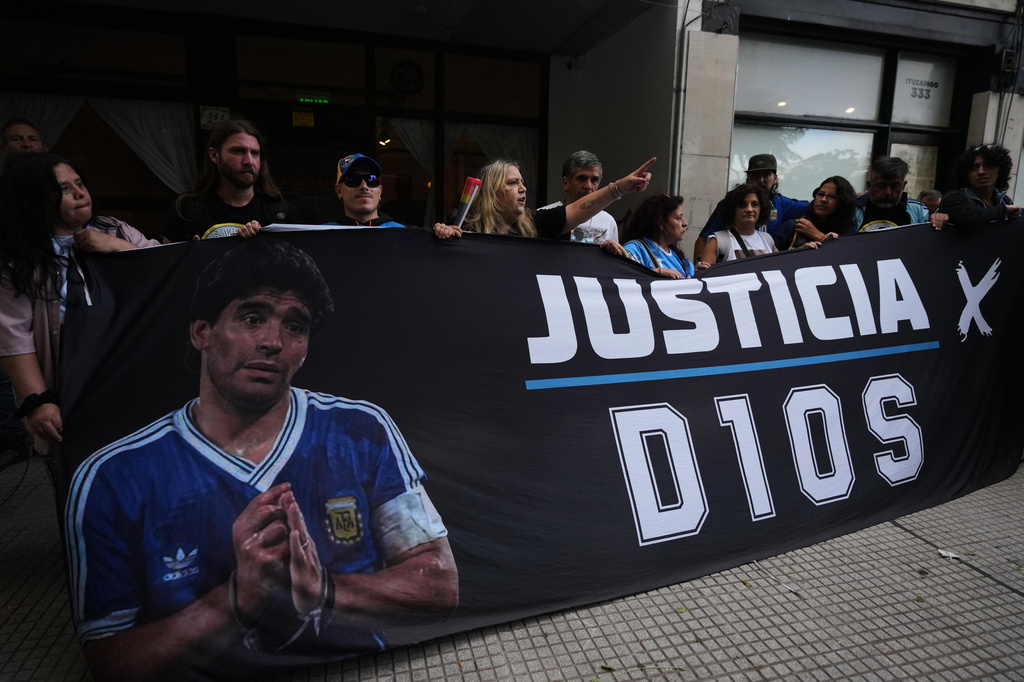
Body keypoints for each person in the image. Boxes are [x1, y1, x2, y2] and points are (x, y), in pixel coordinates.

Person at [65, 237, 459, 680]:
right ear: (202, 332)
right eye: (252, 318)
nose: (273, 341)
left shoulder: (361, 430)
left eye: (295, 326)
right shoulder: (113, 476)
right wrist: (234, 602)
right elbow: (109, 662)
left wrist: (324, 592)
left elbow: (439, 583)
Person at [0, 154, 159, 455]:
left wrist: (118, 248)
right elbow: (12, 336)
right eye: (63, 189)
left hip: (129, 376)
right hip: (70, 388)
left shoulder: (116, 230)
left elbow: (166, 270)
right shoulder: (19, 258)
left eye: (79, 183)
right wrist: (39, 400)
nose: (79, 193)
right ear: (35, 199)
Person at [432, 157, 654, 240]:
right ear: (492, 192)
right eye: (513, 183)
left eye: (522, 182)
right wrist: (444, 236)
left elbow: (577, 209)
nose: (523, 188)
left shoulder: (535, 224)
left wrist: (620, 189)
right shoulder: (468, 230)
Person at [162, 119, 296, 242]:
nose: (249, 161)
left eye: (255, 153)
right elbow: (167, 264)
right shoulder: (187, 209)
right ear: (214, 155)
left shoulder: (280, 214)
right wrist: (188, 255)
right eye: (238, 151)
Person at [692, 154, 807, 261]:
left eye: (766, 175)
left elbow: (780, 264)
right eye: (756, 176)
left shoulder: (769, 237)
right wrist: (697, 270)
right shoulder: (719, 239)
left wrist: (804, 250)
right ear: (748, 178)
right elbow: (703, 240)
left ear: (775, 178)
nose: (761, 180)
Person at [541, 150, 619, 244]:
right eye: (582, 179)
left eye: (594, 180)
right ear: (566, 183)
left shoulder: (608, 222)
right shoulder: (544, 217)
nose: (589, 186)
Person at [938, 143, 1022, 230]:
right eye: (974, 168)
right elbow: (969, 218)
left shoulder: (1005, 200)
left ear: (1000, 171)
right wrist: (1002, 210)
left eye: (988, 166)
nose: (981, 172)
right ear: (966, 175)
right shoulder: (955, 197)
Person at [854, 156, 946, 231]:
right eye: (881, 186)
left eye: (895, 186)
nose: (888, 192)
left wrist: (940, 220)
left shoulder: (918, 211)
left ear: (903, 186)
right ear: (869, 186)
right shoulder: (852, 209)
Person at [698, 183, 778, 267]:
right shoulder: (718, 241)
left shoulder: (767, 239)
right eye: (743, 205)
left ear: (762, 209)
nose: (749, 209)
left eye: (754, 204)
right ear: (732, 210)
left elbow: (781, 267)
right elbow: (706, 277)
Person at [619, 194, 694, 279]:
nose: (685, 223)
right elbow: (620, 275)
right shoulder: (636, 249)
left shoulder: (682, 261)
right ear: (661, 223)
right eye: (679, 218)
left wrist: (701, 273)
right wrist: (658, 272)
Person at [773, 175, 857, 250]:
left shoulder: (849, 228)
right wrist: (798, 252)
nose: (823, 200)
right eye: (821, 194)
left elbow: (849, 255)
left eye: (832, 196)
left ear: (843, 202)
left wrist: (819, 236)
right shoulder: (794, 226)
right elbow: (770, 258)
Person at [327, 154, 404, 227]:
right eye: (353, 179)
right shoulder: (323, 234)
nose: (364, 186)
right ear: (339, 191)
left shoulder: (403, 235)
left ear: (380, 191)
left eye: (371, 179)